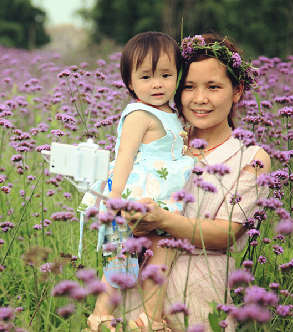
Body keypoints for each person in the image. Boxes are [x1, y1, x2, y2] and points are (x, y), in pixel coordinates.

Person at [122, 33, 271, 332]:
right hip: (140, 296)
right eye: (188, 86)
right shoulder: (161, 141)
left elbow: (225, 234)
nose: (199, 98)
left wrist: (161, 219)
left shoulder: (251, 158)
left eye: (213, 87)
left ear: (237, 91)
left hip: (201, 302)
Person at [79, 32, 194, 332]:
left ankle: (149, 320)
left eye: (166, 75)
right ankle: (100, 316)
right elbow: (124, 157)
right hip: (135, 196)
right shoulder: (138, 114)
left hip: (163, 201)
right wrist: (114, 197)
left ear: (177, 77)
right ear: (130, 82)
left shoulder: (171, 112)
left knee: (161, 255)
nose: (157, 84)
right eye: (146, 77)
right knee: (121, 256)